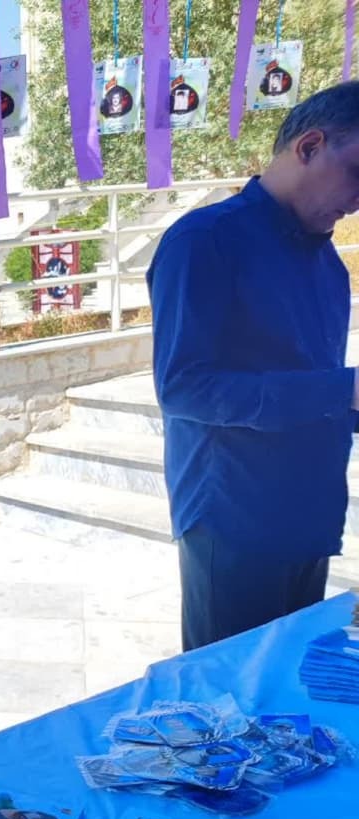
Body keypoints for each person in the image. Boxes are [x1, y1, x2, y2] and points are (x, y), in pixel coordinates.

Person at [148, 82, 359, 652]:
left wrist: (350, 399)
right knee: (227, 692)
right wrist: (345, 390)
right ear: (310, 146)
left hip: (312, 514)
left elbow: (319, 389)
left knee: (288, 684)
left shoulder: (328, 266)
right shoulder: (205, 241)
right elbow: (184, 387)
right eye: (357, 172)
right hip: (235, 521)